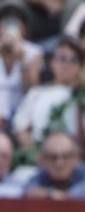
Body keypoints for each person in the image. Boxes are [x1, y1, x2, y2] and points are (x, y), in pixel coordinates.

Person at [12, 36, 85, 151]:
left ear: (81, 67)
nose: (67, 65)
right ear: (52, 63)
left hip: (76, 157)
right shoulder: (37, 93)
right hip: (41, 155)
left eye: (73, 60)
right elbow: (21, 129)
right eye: (62, 59)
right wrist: (36, 153)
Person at [0, 0, 43, 132]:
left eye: (15, 20)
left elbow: (31, 90)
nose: (10, 26)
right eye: (5, 20)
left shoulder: (33, 52)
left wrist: (22, 59)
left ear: (24, 27)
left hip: (21, 113)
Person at [23, 129, 85, 197]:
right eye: (53, 157)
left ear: (76, 158)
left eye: (66, 156)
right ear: (43, 160)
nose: (59, 163)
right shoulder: (41, 175)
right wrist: (51, 193)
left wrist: (57, 195)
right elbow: (28, 191)